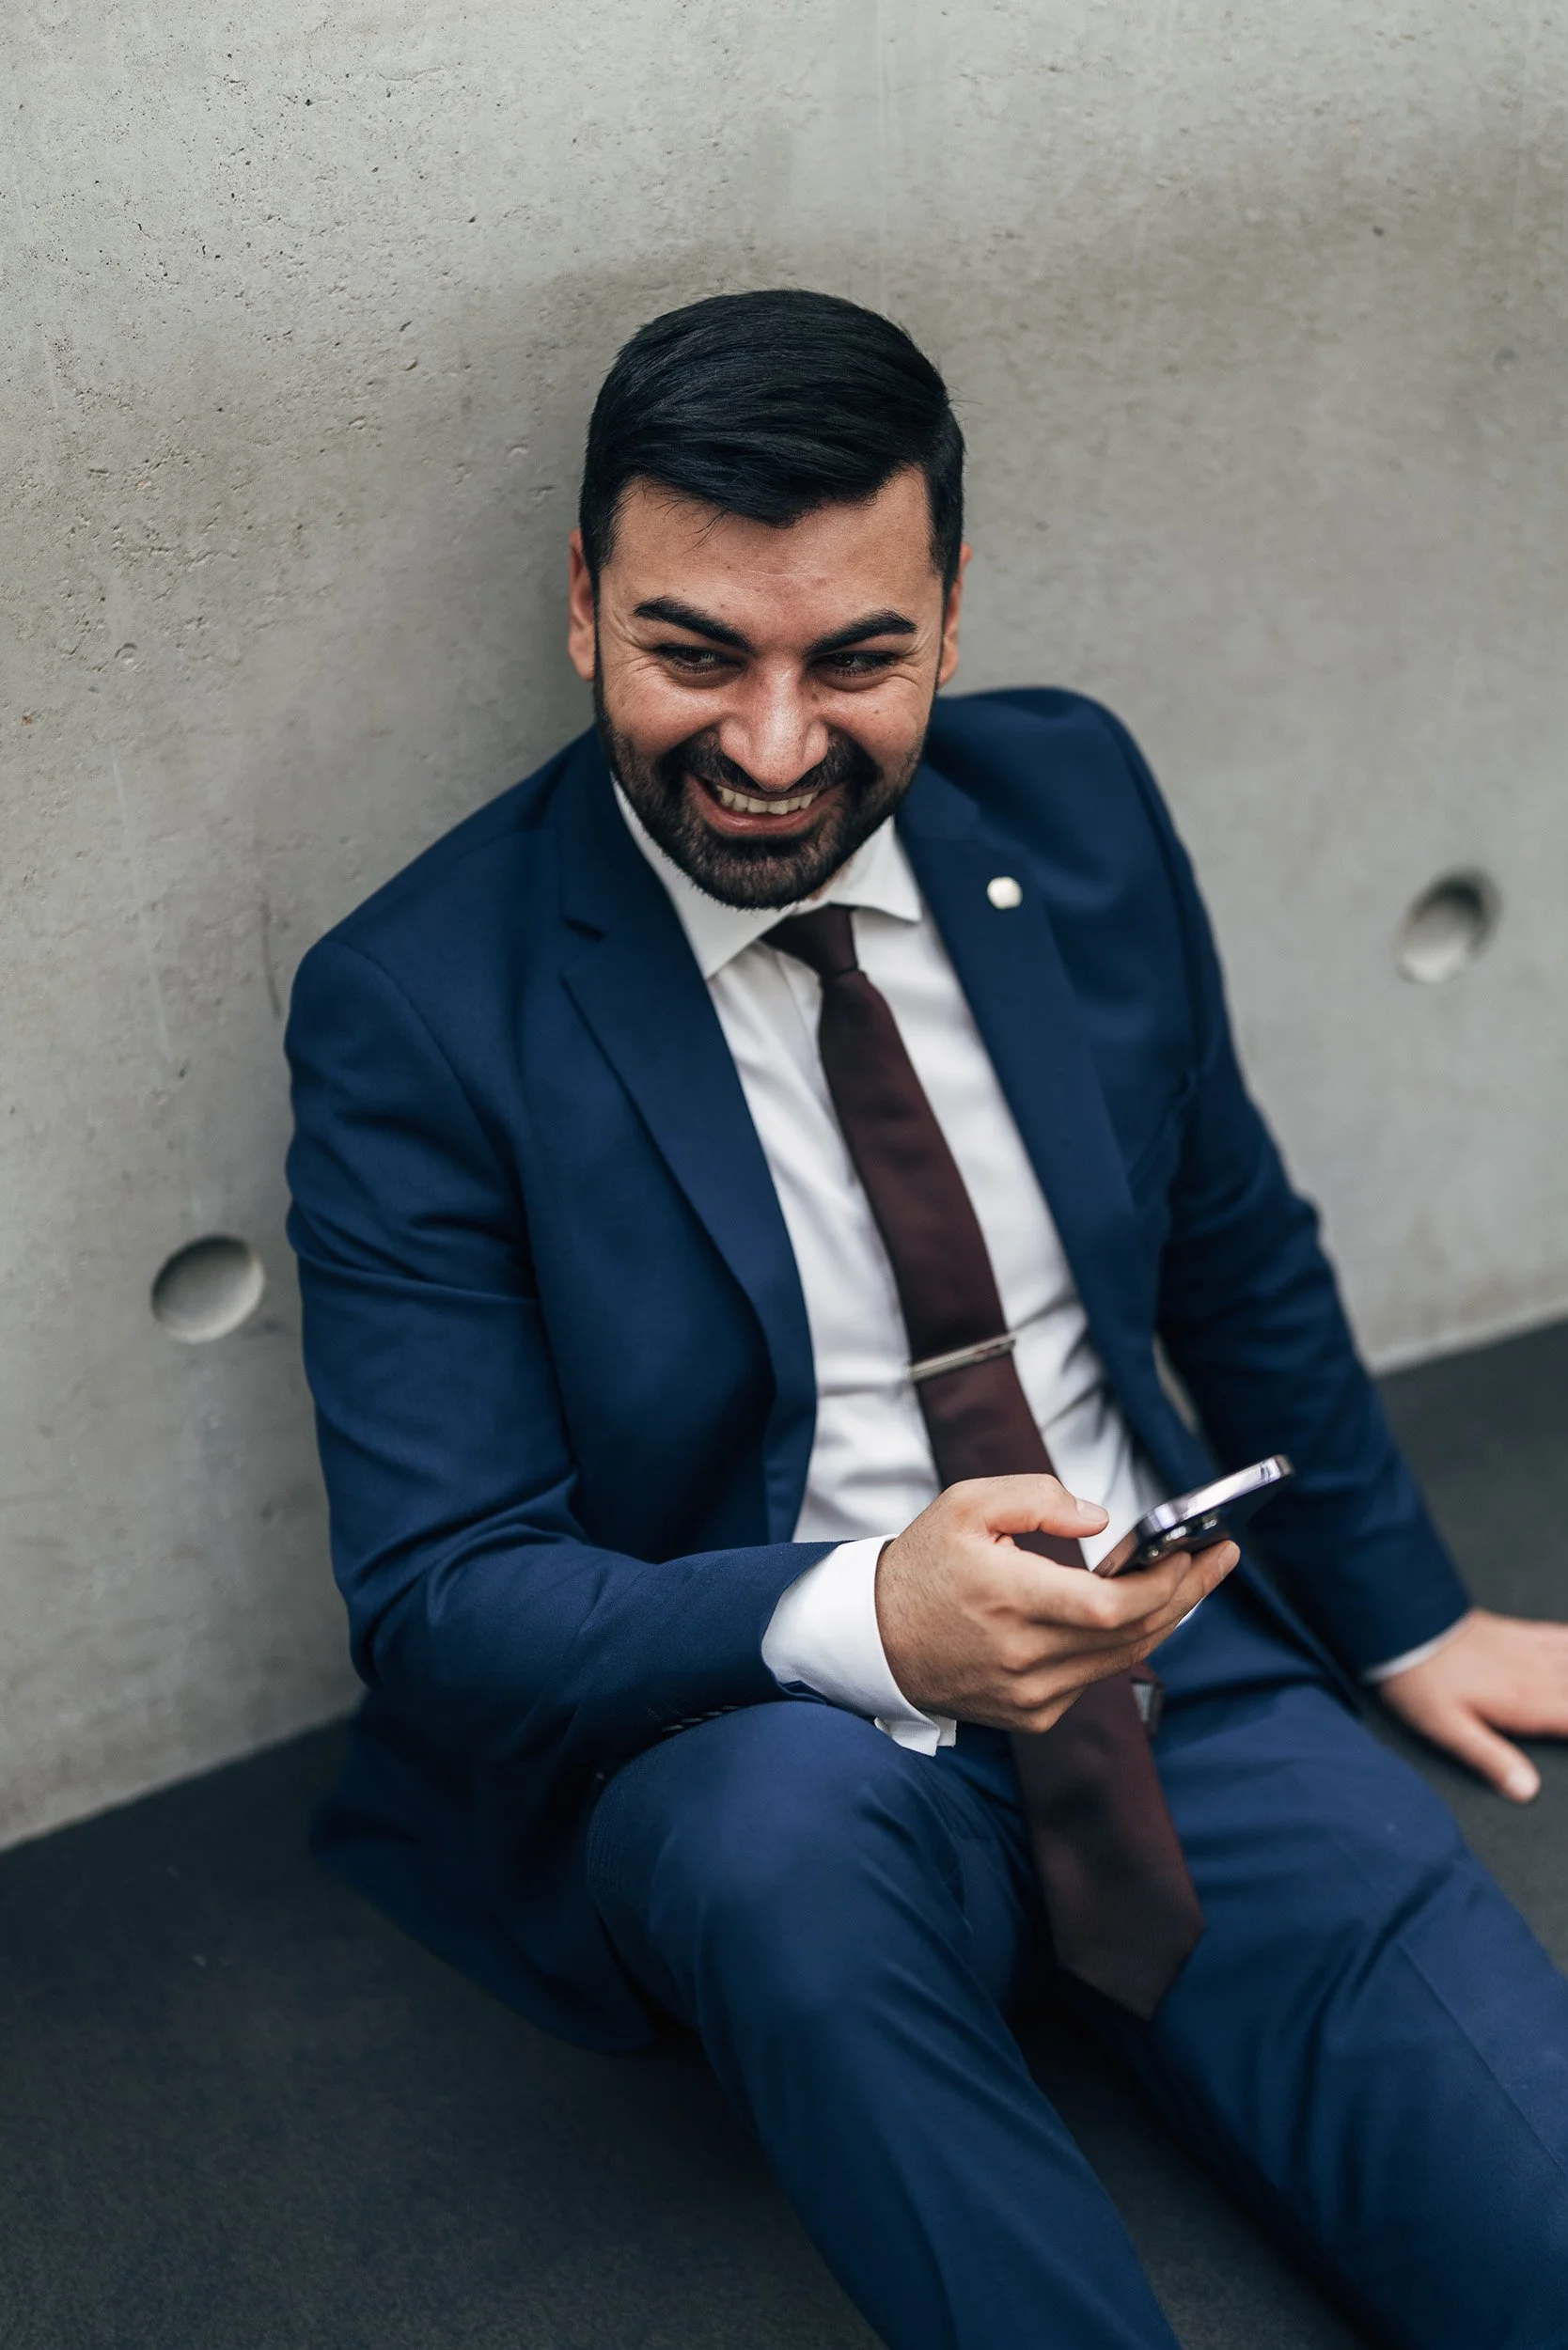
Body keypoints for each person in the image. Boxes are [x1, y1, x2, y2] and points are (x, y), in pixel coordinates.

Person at [284, 289, 1568, 2349]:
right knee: (777, 1855)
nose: (775, 747)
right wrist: (871, 1618)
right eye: (697, 648)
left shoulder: (1075, 803)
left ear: (951, 614)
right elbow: (444, 1595)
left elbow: (1229, 1233)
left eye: (855, 656)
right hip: (760, 1737)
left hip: (1178, 1670)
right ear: (583, 607)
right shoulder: (416, 1004)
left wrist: (1408, 1613)